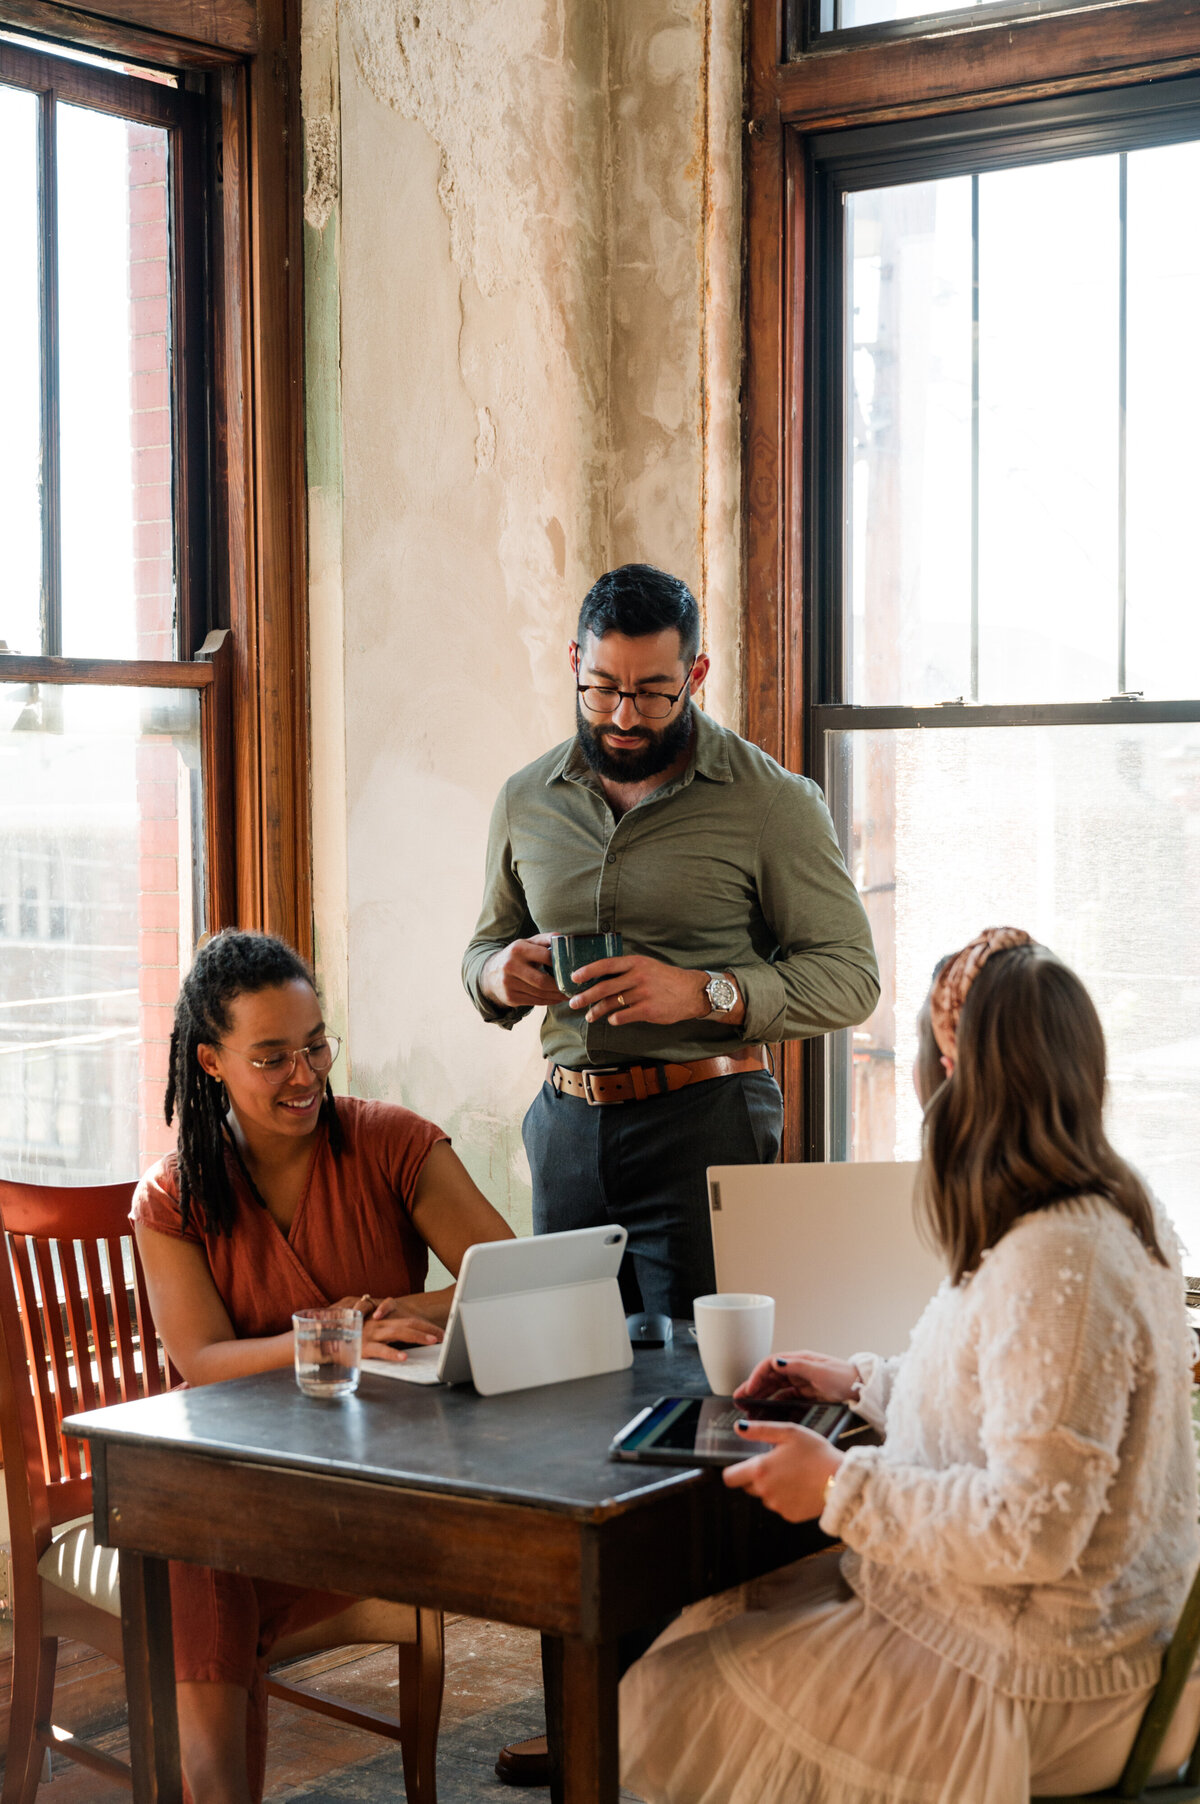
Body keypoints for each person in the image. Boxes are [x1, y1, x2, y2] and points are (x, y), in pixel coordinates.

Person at [620, 928, 1200, 1804]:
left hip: (1049, 1682)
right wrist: (858, 1383)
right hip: (1068, 1640)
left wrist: (840, 1487)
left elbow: (1033, 1527)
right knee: (720, 1613)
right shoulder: (1102, 1209)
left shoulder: (1056, 1257)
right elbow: (1020, 1401)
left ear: (956, 1075)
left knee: (664, 1695)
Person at [132, 929, 514, 1804]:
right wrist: (329, 1334)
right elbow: (199, 1360)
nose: (304, 1076)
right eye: (271, 1058)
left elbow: (507, 1279)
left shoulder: (391, 1142)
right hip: (262, 1495)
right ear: (211, 1061)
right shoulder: (174, 1195)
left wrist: (398, 1312)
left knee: (200, 1562)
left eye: (315, 1046)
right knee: (201, 1542)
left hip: (396, 1486)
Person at [462, 563, 879, 1321]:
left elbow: (852, 977)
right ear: (574, 663)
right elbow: (483, 949)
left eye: (653, 692)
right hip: (564, 1133)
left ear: (697, 672)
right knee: (566, 1383)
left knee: (701, 1394)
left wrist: (701, 991)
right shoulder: (525, 799)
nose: (623, 715)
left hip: (707, 1124)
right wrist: (498, 975)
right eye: (601, 687)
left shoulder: (774, 803)